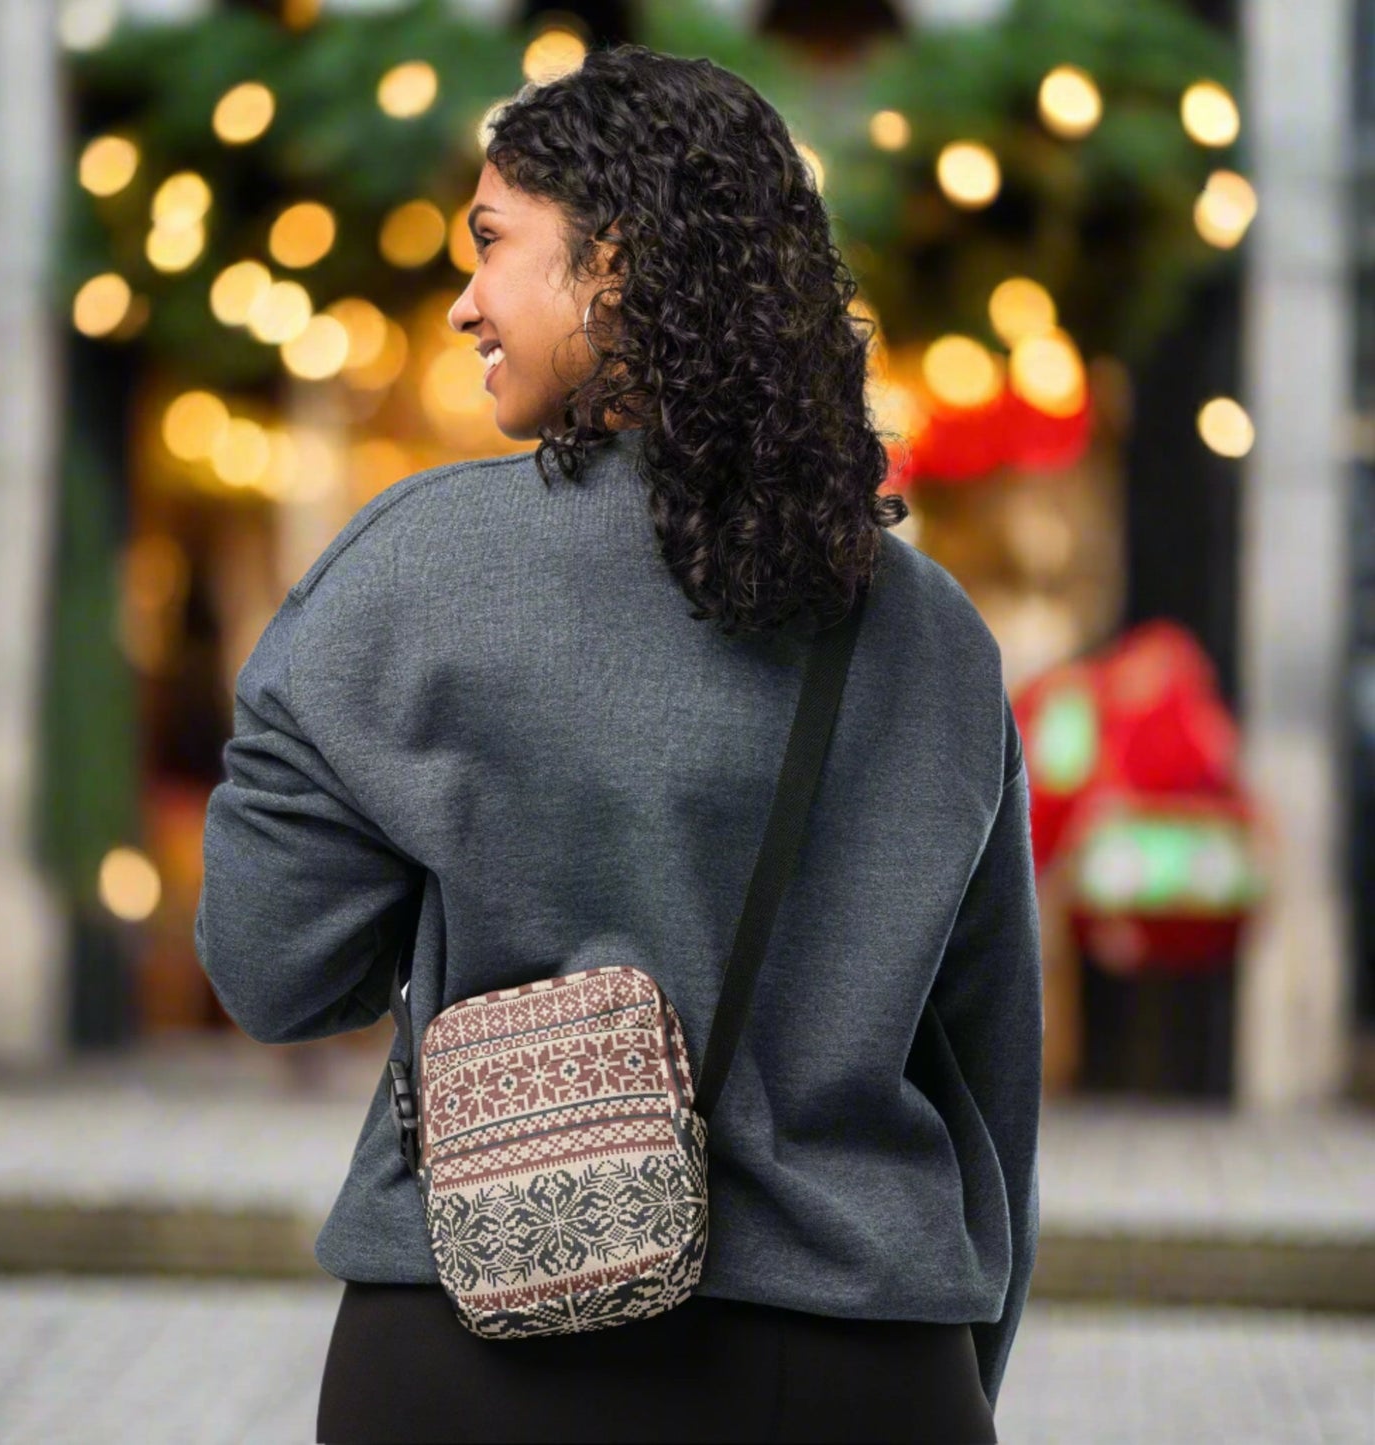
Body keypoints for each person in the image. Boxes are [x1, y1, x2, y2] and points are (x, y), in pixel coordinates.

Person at [194, 42, 1041, 1445]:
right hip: (859, 1358)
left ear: (615, 267)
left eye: (490, 246)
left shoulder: (417, 567)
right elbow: (987, 1071)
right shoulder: (932, 632)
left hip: (479, 1346)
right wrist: (946, 1367)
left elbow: (275, 968)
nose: (462, 301)